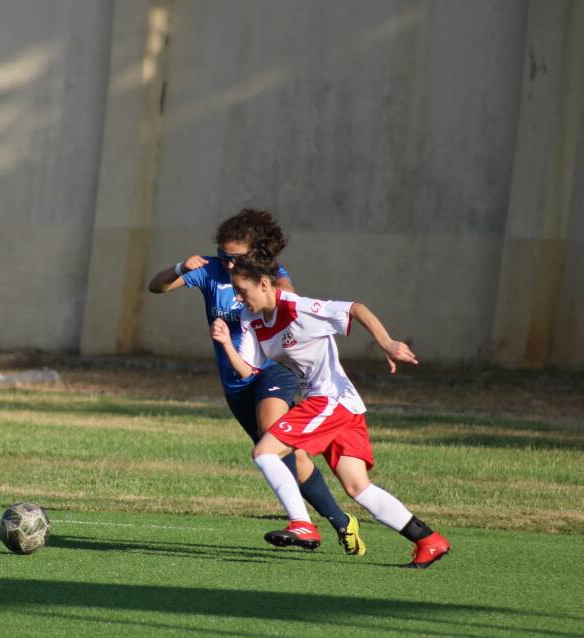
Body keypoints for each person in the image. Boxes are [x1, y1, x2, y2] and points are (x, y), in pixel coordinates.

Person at [211, 254, 451, 568]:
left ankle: (302, 523)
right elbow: (248, 371)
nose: (238, 298)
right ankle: (428, 540)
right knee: (357, 487)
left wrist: (387, 342)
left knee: (265, 452)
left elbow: (355, 309)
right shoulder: (249, 318)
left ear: (265, 283)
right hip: (341, 406)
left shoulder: (296, 308)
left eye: (242, 291)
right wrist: (227, 343)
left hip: (330, 401)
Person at [149, 208, 365, 555]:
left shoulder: (271, 275)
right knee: (287, 456)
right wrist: (178, 268)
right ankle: (342, 521)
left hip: (269, 371)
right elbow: (155, 287)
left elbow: (288, 306)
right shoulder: (207, 270)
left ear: (253, 253)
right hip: (235, 380)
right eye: (224, 255)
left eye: (235, 257)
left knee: (271, 433)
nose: (229, 264)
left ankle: (303, 525)